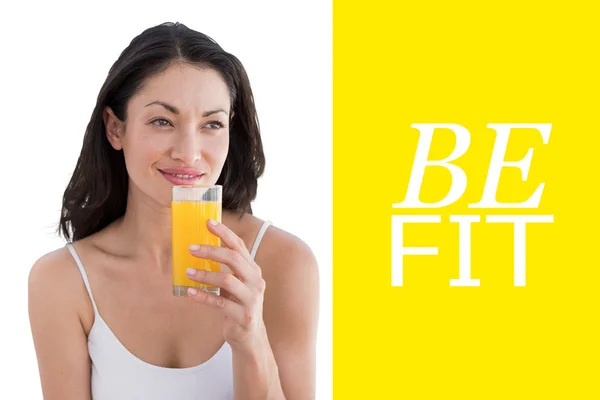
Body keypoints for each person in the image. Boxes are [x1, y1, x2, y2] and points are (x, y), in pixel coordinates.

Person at [28, 22, 319, 400]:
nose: (189, 152)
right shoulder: (62, 282)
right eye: (162, 121)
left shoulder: (284, 264)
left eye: (212, 124)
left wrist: (251, 342)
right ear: (115, 129)